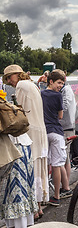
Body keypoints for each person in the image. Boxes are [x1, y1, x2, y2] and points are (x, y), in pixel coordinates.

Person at [2, 65, 49, 219]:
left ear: (17, 75)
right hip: (40, 129)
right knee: (40, 168)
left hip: (31, 130)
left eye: (10, 77)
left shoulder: (21, 86)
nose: (10, 81)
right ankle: (39, 206)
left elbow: (18, 113)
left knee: (32, 169)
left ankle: (34, 209)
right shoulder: (32, 84)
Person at [41, 71, 71, 206]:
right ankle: (56, 196)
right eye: (59, 82)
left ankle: (44, 193)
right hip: (56, 131)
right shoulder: (58, 96)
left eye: (62, 83)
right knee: (57, 165)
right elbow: (60, 116)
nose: (61, 86)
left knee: (45, 163)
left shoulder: (40, 93)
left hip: (44, 131)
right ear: (51, 81)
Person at [54, 69, 76, 191]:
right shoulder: (66, 89)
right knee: (65, 157)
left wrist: (54, 112)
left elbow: (65, 106)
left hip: (66, 127)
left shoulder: (66, 90)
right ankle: (65, 185)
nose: (60, 85)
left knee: (64, 157)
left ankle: (65, 186)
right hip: (67, 126)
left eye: (61, 82)